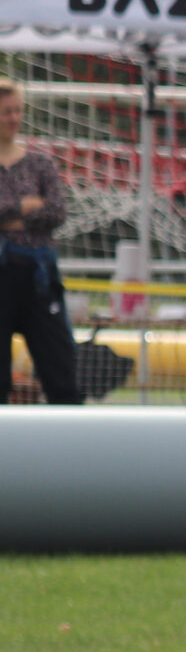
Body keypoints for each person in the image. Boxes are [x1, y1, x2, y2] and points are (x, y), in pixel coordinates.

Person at [0, 76, 79, 405]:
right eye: (6, 112)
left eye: (17, 110)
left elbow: (56, 212)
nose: (13, 118)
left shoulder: (39, 163)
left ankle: (69, 430)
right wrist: (23, 208)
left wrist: (9, 219)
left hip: (38, 276)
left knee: (60, 368)